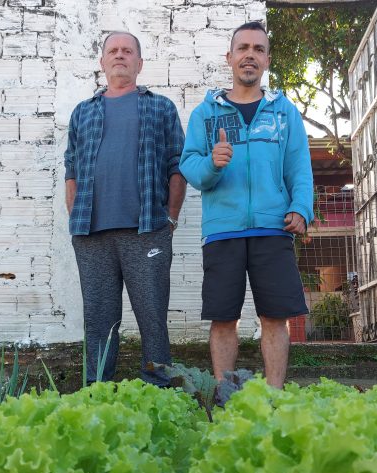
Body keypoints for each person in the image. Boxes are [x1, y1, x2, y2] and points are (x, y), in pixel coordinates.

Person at [180, 21, 313, 388]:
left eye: (258, 49)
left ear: (267, 59)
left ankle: (273, 398)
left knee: (275, 317)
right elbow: (189, 165)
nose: (249, 55)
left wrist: (301, 207)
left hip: (274, 228)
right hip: (223, 230)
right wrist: (212, 163)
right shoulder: (206, 114)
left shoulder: (284, 112)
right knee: (223, 319)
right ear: (230, 57)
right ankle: (225, 397)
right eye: (243, 48)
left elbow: (299, 166)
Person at [64, 31, 186, 386]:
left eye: (127, 51)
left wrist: (170, 218)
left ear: (139, 63)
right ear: (102, 62)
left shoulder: (160, 107)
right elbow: (71, 168)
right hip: (91, 235)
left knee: (152, 320)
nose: (120, 55)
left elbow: (177, 164)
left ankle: (159, 396)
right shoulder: (83, 112)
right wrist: (75, 217)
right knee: (99, 323)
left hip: (147, 229)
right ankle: (97, 399)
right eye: (113, 51)